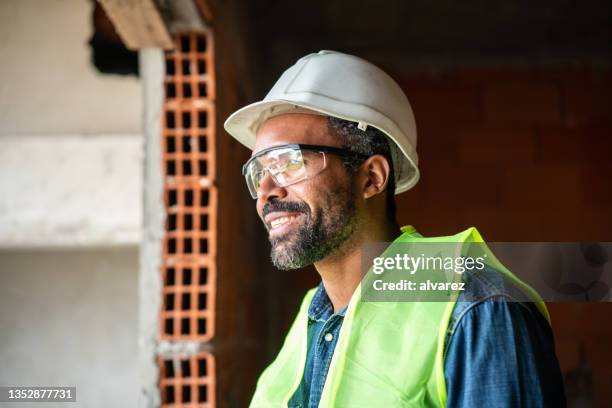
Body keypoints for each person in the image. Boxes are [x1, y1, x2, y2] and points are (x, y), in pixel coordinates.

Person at [224, 50, 566, 407]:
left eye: (290, 162)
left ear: (371, 178)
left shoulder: (476, 308)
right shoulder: (312, 314)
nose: (265, 193)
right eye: (259, 171)